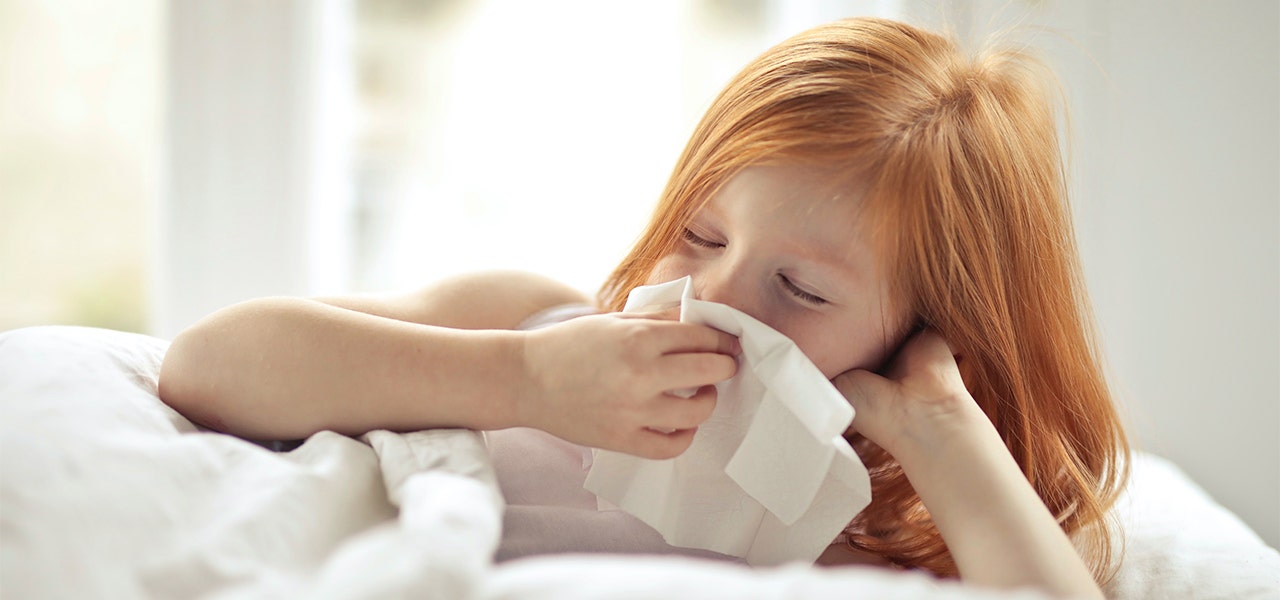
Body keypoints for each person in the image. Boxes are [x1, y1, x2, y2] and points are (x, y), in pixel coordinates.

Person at [159, 16, 1127, 599]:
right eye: (700, 234)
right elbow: (206, 365)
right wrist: (520, 380)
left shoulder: (855, 531)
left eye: (799, 290)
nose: (710, 295)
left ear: (921, 331)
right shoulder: (531, 324)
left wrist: (938, 426)